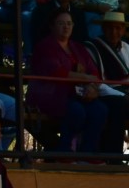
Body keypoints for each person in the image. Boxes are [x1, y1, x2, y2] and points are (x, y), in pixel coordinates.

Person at [29, 10, 107, 153]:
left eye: (69, 23)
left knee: (100, 110)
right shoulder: (45, 46)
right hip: (51, 95)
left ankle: (88, 153)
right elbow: (56, 72)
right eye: (61, 23)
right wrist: (85, 78)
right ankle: (65, 151)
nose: (66, 27)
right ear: (52, 26)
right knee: (76, 111)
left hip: (78, 95)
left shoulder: (78, 47)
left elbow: (94, 72)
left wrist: (91, 86)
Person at [90, 11, 129, 154]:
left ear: (123, 30)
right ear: (103, 29)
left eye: (118, 28)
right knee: (118, 107)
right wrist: (125, 98)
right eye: (110, 28)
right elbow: (98, 83)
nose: (114, 32)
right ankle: (114, 156)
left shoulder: (127, 48)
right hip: (107, 96)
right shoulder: (93, 47)